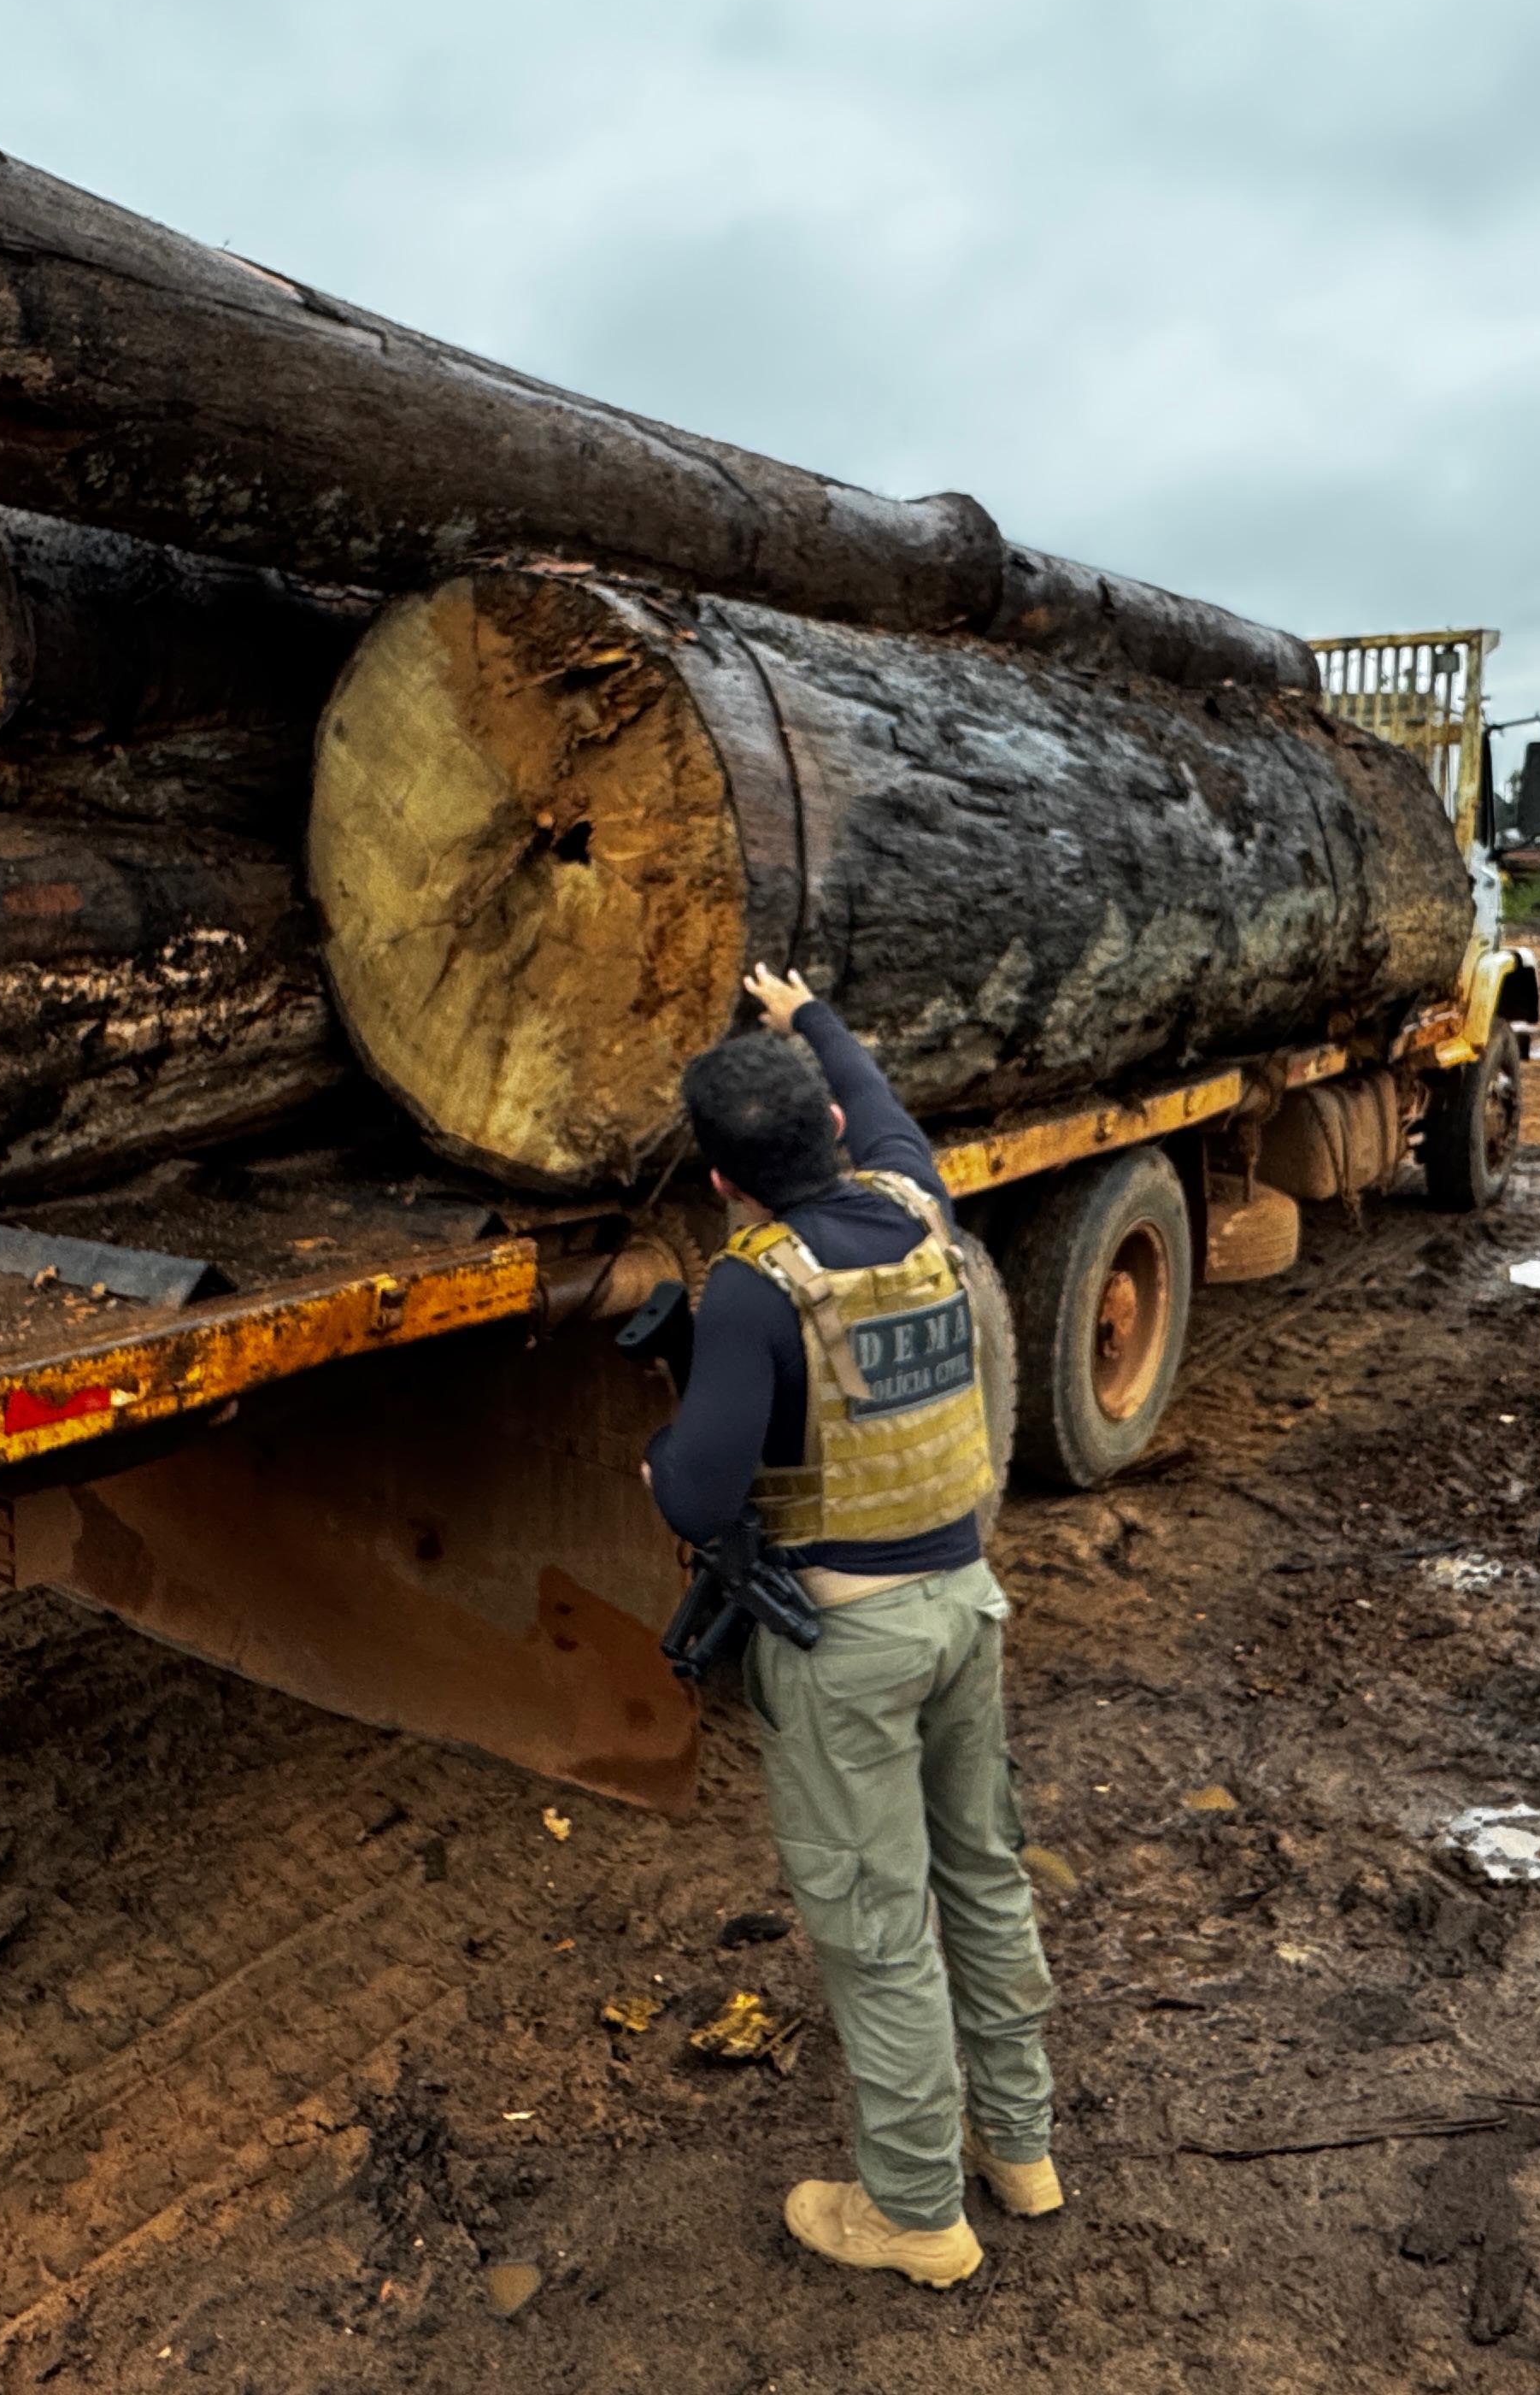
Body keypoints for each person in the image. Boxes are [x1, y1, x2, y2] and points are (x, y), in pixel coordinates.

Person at [644, 962, 1059, 2289]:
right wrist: (806, 1016)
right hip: (963, 1609)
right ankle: (1023, 2150)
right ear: (828, 1132)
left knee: (879, 1930)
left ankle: (917, 2215)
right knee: (983, 1879)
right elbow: (878, 1099)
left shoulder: (759, 1292)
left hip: (850, 1641)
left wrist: (658, 1470)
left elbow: (702, 1491)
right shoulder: (915, 1202)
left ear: (721, 1184)